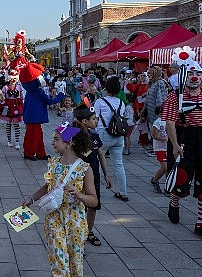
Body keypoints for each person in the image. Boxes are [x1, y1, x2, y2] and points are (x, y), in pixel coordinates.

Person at [161, 62, 202, 242]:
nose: (195, 77)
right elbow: (169, 123)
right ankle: (174, 203)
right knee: (180, 177)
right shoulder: (174, 97)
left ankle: (201, 224)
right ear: (183, 77)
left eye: (198, 74)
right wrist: (175, 145)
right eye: (190, 74)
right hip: (185, 139)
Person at [21, 123, 97, 276]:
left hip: (76, 221)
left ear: (69, 143)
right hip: (53, 217)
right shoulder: (54, 164)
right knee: (58, 262)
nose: (52, 142)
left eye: (56, 139)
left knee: (76, 265)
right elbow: (48, 186)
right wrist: (31, 199)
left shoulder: (84, 168)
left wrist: (79, 195)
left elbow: (94, 201)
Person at [73, 104, 111, 247]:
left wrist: (106, 174)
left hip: (94, 175)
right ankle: (76, 233)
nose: (96, 121)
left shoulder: (95, 137)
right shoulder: (73, 135)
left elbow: (101, 155)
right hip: (77, 177)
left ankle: (89, 231)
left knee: (93, 206)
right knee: (78, 205)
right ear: (84, 121)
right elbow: (60, 142)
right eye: (94, 119)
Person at [94, 76, 129, 202]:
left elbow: (95, 119)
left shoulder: (100, 102)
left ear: (106, 87)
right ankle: (123, 192)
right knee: (119, 164)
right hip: (118, 136)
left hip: (103, 134)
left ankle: (94, 190)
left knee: (96, 162)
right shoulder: (121, 102)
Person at [0, 70, 24, 149]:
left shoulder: (19, 87)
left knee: (16, 124)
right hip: (8, 106)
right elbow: (3, 98)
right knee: (8, 124)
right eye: (11, 79)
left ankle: (17, 141)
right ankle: (9, 140)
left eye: (15, 79)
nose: (13, 80)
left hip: (17, 106)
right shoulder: (5, 87)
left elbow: (21, 97)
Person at [150, 107, 168, 194]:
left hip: (168, 148)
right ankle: (167, 186)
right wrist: (165, 139)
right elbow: (154, 135)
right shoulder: (157, 122)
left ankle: (155, 180)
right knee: (166, 168)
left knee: (166, 168)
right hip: (160, 148)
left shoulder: (169, 121)